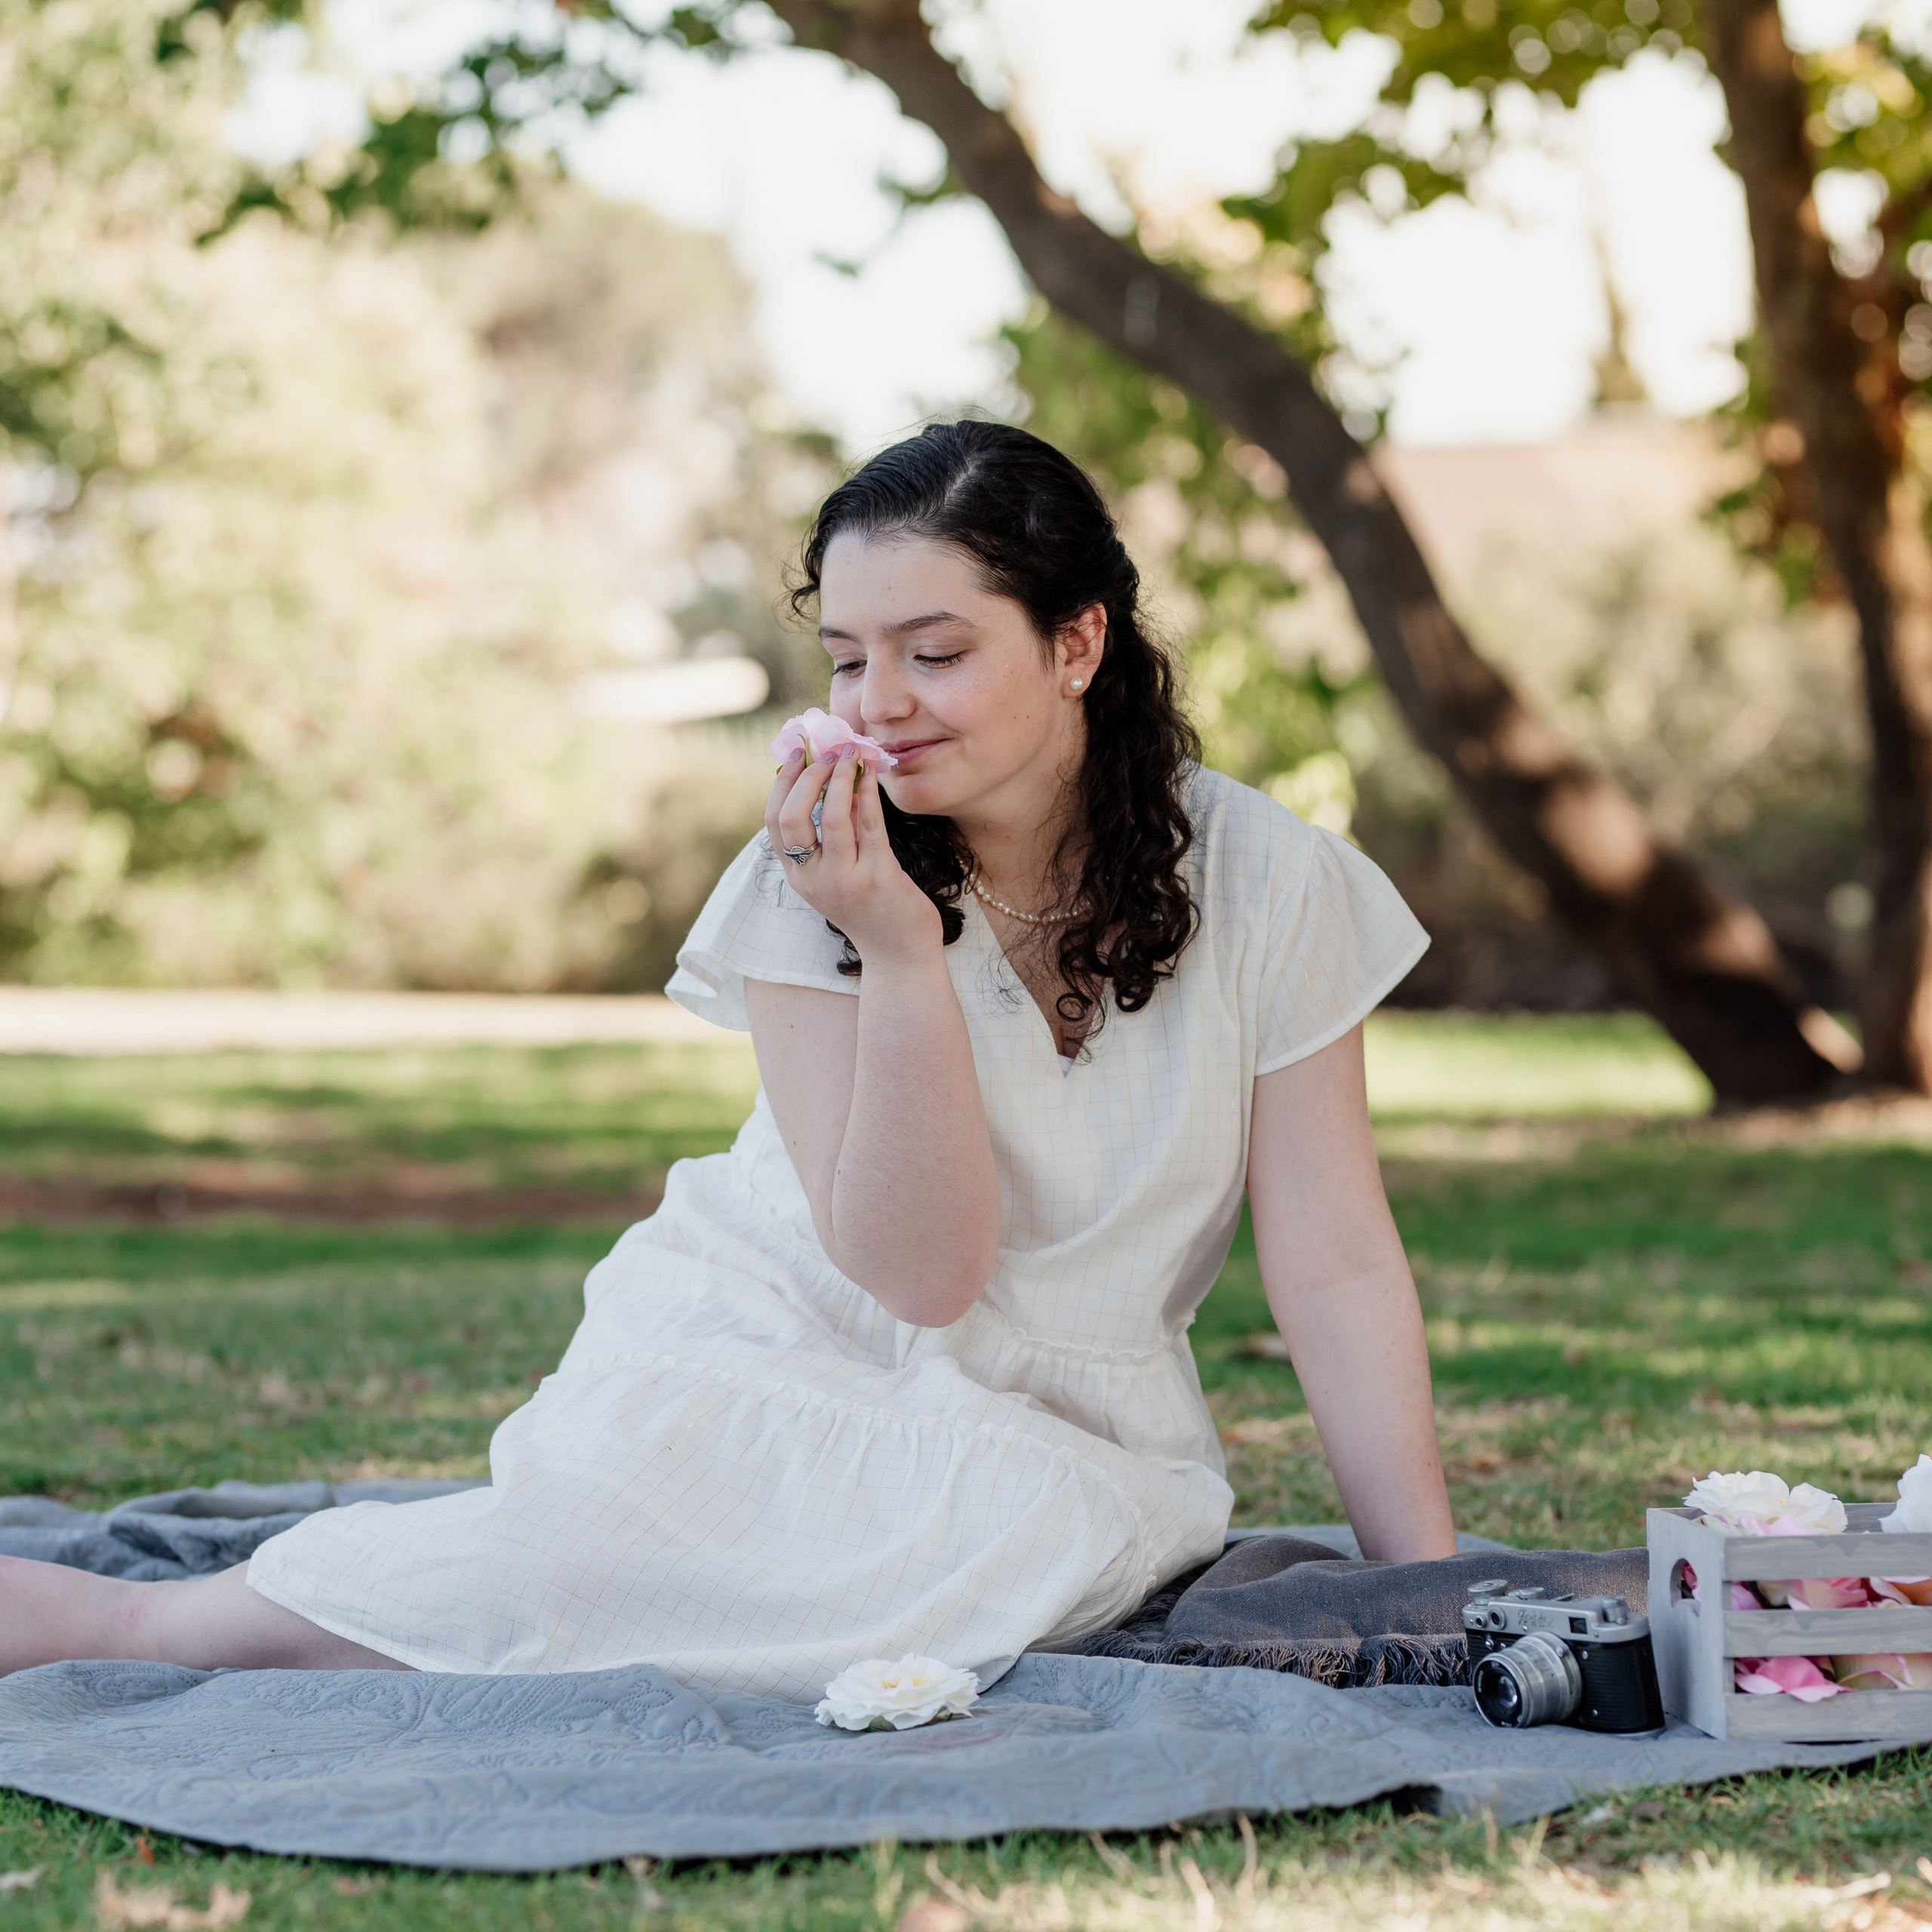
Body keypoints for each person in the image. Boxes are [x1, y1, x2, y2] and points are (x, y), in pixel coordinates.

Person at [0, 421, 1455, 1690]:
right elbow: (916, 1274)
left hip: (1068, 1442)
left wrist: (1428, 1589)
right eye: (846, 656)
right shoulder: (811, 871)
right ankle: (144, 1625)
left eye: (935, 653)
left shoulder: (1275, 882)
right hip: (780, 1360)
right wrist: (893, 943)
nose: (877, 701)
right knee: (474, 1606)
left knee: (1023, 1537)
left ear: (1076, 644)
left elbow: (1331, 1260)